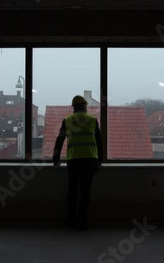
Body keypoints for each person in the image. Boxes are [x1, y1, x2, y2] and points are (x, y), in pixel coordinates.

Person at [53, 95, 102, 231]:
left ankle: (71, 220)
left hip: (73, 160)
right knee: (85, 192)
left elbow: (60, 140)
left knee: (72, 191)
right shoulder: (92, 120)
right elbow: (99, 142)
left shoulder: (67, 120)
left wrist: (55, 159)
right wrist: (100, 161)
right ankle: (82, 221)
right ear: (84, 106)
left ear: (74, 107)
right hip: (90, 160)